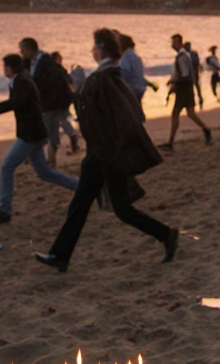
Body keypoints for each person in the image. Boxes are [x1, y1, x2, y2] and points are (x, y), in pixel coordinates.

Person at [35, 28, 181, 271]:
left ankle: (60, 256)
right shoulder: (112, 74)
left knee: (87, 205)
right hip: (106, 152)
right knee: (117, 208)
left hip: (103, 154)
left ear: (101, 46)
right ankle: (166, 235)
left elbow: (89, 113)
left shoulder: (102, 77)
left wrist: (78, 87)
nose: (92, 50)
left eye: (94, 46)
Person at [0, 53, 81, 226]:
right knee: (45, 172)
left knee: (6, 168)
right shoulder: (19, 81)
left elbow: (15, 102)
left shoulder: (24, 83)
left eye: (5, 67)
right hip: (32, 133)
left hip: (30, 135)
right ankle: (80, 186)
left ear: (11, 68)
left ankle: (5, 210)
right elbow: (16, 102)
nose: (3, 70)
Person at [20, 37, 75, 168]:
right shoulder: (34, 62)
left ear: (29, 49)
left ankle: (46, 162)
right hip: (50, 103)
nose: (21, 53)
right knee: (50, 134)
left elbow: (45, 84)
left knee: (45, 133)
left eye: (23, 50)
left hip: (50, 104)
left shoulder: (45, 63)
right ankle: (49, 162)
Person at [163, 34, 212, 150]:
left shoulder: (182, 56)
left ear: (179, 43)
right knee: (190, 113)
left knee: (176, 113)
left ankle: (170, 142)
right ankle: (206, 130)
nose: (172, 45)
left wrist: (174, 83)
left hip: (183, 88)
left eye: (174, 42)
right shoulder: (184, 55)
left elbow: (185, 74)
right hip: (186, 88)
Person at [51, 51, 81, 156]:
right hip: (61, 101)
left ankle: (70, 142)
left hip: (59, 102)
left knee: (60, 121)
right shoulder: (59, 70)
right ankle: (73, 141)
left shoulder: (57, 70)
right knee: (62, 121)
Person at [118, 34, 153, 120]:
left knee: (131, 113)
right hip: (140, 87)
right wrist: (149, 84)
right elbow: (138, 74)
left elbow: (125, 73)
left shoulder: (126, 57)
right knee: (136, 110)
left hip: (132, 88)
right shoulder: (135, 56)